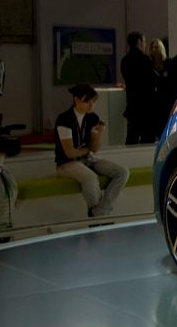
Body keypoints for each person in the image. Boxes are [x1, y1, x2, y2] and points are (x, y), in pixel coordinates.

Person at [54, 84, 129, 218]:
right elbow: (69, 153)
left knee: (122, 172)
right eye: (87, 101)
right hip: (66, 163)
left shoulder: (92, 118)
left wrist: (97, 135)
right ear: (76, 100)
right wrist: (87, 149)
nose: (91, 105)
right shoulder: (64, 119)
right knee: (90, 177)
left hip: (88, 159)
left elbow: (95, 149)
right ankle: (98, 217)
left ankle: (99, 212)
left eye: (93, 101)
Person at [120, 31, 156, 144]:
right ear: (139, 42)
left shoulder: (125, 60)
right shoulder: (145, 59)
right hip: (146, 104)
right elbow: (152, 80)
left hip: (132, 103)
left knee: (132, 135)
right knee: (147, 137)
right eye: (144, 41)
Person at [149, 37, 172, 138]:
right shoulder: (149, 65)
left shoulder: (168, 63)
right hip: (154, 100)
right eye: (152, 48)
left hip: (166, 100)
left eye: (156, 47)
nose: (154, 50)